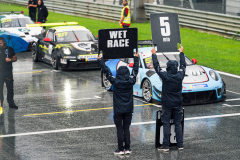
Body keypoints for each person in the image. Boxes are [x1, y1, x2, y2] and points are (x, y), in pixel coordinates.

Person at [97, 52, 139, 155]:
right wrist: (136, 58)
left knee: (119, 128)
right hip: (129, 109)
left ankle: (120, 149)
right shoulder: (131, 81)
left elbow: (107, 71)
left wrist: (100, 60)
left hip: (118, 110)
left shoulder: (115, 82)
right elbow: (135, 71)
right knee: (126, 128)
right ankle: (128, 148)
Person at [151, 45, 186, 151]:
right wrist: (181, 53)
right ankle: (180, 145)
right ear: (176, 67)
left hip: (167, 103)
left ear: (168, 67)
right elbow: (183, 65)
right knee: (178, 124)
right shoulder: (180, 75)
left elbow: (157, 67)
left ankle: (165, 146)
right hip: (178, 103)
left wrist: (154, 54)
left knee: (166, 124)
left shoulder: (165, 76)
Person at [0, 37, 18, 109]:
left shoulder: (10, 49)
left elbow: (15, 58)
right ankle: (1, 103)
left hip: (8, 72)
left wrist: (10, 59)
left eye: (0, 43)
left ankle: (11, 103)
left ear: (4, 42)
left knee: (10, 89)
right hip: (0, 73)